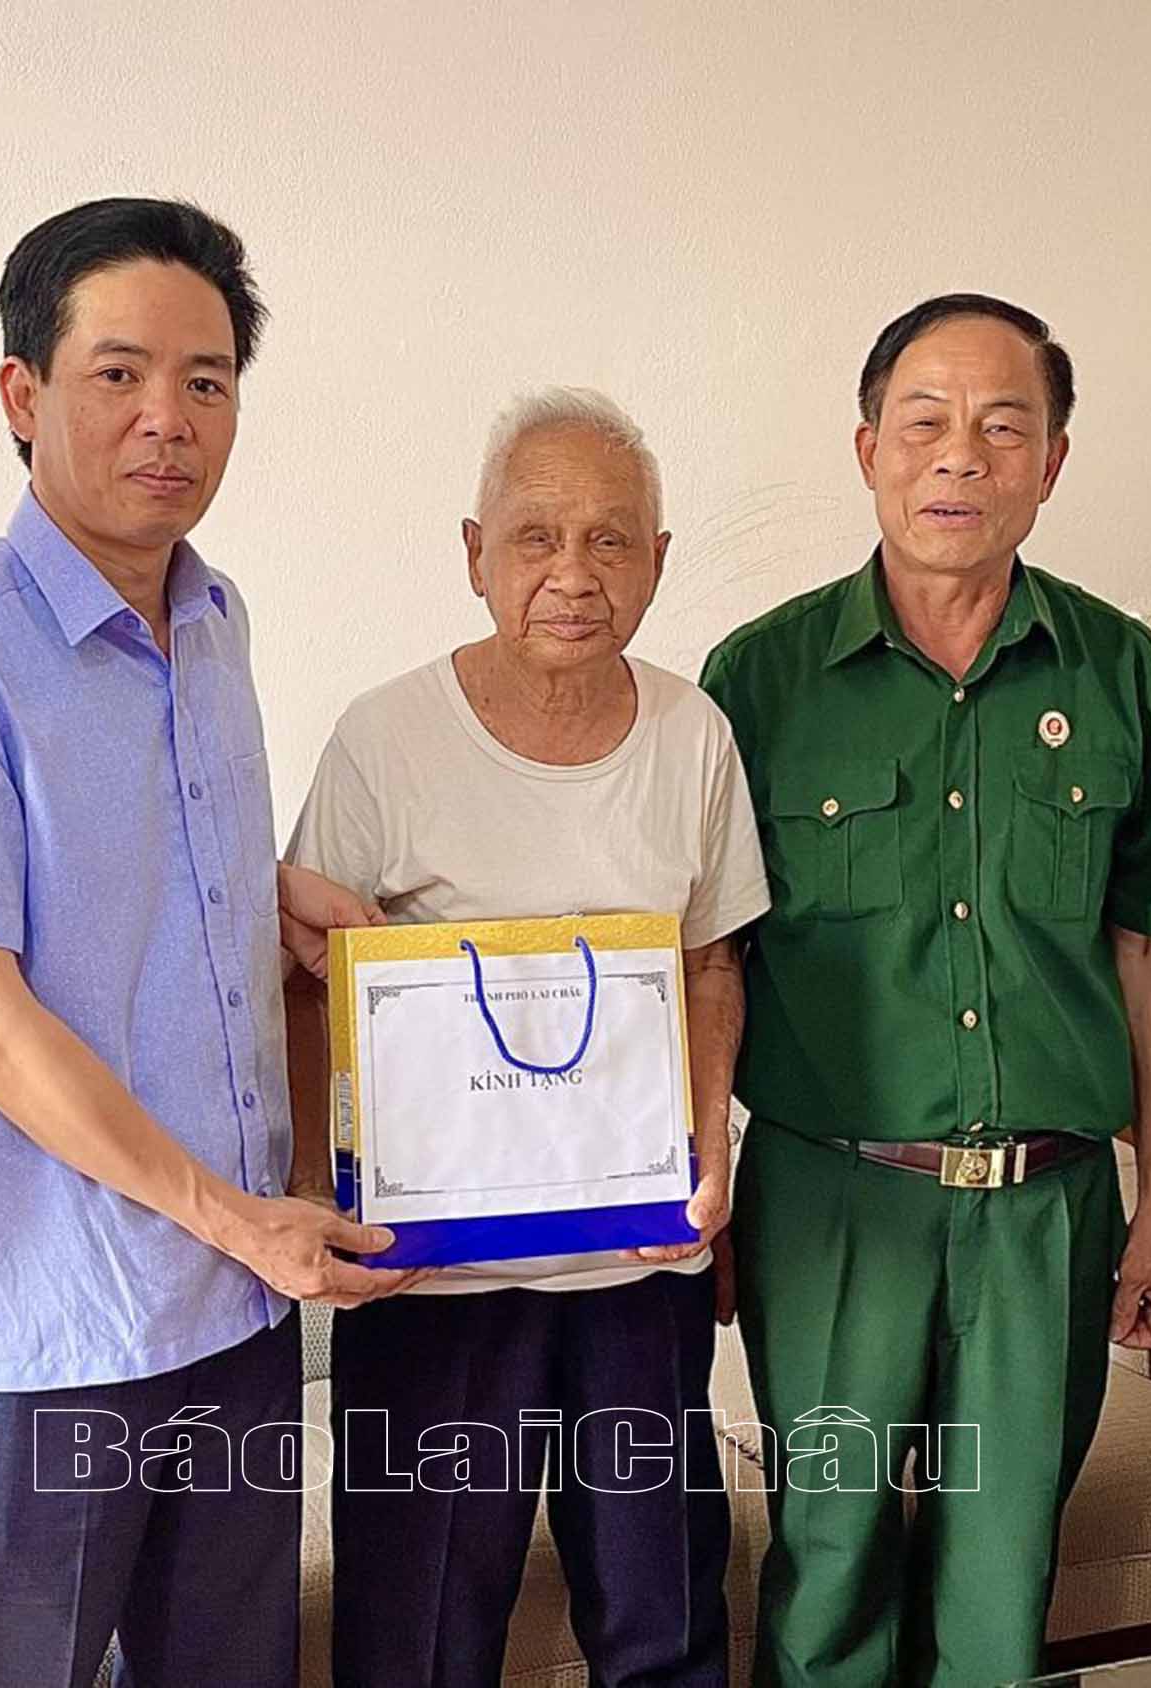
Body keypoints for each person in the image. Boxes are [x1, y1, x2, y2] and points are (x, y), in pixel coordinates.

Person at [0, 196, 407, 1688]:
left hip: (228, 1309)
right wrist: (240, 1218)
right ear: (22, 395)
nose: (170, 418)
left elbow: (152, 890)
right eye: (119, 374)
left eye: (207, 381)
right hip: (44, 1338)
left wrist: (271, 889)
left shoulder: (217, 624)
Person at [698, 294, 1151, 1685]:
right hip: (830, 1200)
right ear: (869, 447)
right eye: (926, 424)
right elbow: (709, 966)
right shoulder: (757, 681)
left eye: (1004, 427)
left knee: (1003, 1580)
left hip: (1047, 1210)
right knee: (830, 1558)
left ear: (1051, 463)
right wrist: (699, 1185)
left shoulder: (1124, 674)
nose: (960, 458)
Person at [285, 387, 769, 1687]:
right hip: (433, 1286)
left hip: (635, 1272)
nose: (574, 572)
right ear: (474, 553)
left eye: (614, 540)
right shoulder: (385, 739)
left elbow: (715, 962)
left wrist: (711, 1144)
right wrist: (307, 1195)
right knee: (420, 1634)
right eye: (538, 536)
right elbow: (304, 975)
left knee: (661, 1622)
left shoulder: (695, 737)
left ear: (659, 563)